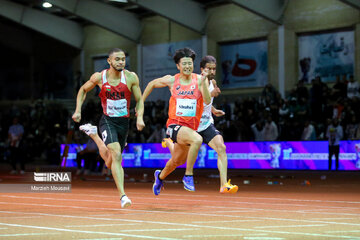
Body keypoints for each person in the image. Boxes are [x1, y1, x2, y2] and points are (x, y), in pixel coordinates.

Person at [72, 48, 145, 208]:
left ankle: (94, 135)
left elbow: (139, 100)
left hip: (124, 123)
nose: (121, 62)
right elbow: (83, 90)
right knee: (117, 155)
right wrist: (78, 110)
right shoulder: (100, 77)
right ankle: (123, 196)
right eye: (117, 59)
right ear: (109, 61)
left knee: (109, 162)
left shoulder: (131, 77)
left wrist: (139, 117)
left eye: (123, 59)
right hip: (107, 121)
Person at [162, 55, 238, 193]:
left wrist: (214, 110)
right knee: (178, 161)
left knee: (221, 148)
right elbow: (192, 102)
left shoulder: (213, 83)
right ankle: (169, 143)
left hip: (206, 124)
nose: (212, 72)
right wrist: (211, 94)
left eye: (214, 69)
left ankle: (224, 184)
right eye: (209, 69)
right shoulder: (195, 82)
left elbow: (205, 104)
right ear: (202, 69)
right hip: (190, 126)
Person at [142, 47, 211, 195]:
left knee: (176, 162)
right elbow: (152, 84)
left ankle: (159, 177)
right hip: (174, 125)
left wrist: (204, 82)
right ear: (178, 66)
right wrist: (141, 103)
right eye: (184, 63)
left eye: (190, 63)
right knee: (197, 140)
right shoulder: (172, 80)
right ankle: (188, 176)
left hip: (190, 129)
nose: (187, 66)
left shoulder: (199, 80)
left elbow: (207, 100)